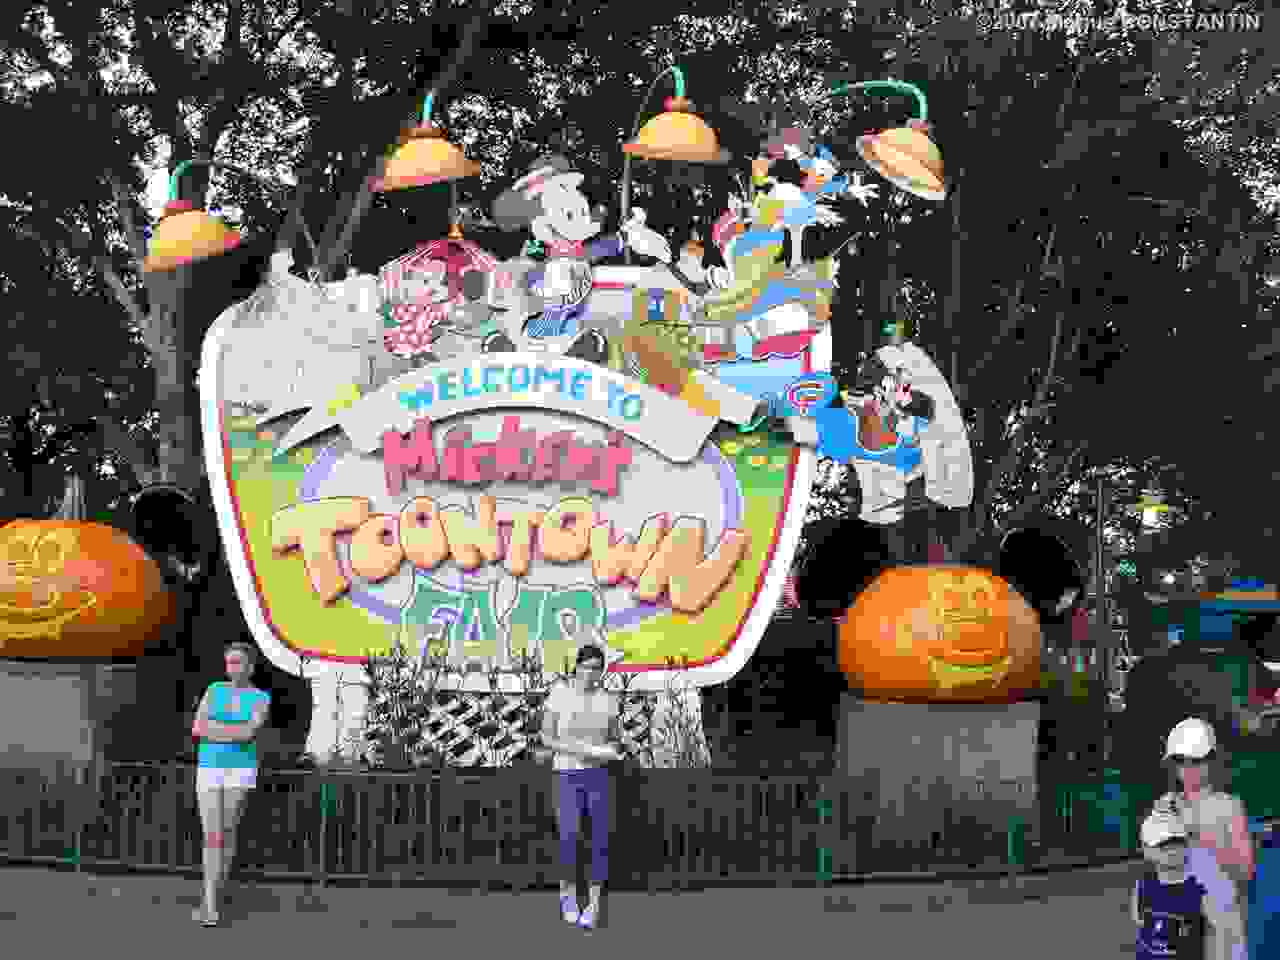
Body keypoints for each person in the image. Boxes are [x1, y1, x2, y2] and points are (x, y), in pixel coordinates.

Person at [537, 618, 623, 931]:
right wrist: (574, 748)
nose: (591, 673)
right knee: (569, 837)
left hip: (598, 776)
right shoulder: (559, 694)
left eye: (597, 669)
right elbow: (546, 737)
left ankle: (594, 904)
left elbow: (615, 740)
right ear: (576, 668)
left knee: (599, 839)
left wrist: (607, 750)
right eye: (586, 667)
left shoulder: (608, 700)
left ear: (602, 672)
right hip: (566, 775)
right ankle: (568, 896)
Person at [1152, 718, 1254, 960]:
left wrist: (1202, 840)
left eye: (1196, 761)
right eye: (1181, 761)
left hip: (1221, 921)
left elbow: (1245, 870)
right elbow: (1156, 864)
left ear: (1212, 762)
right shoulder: (1167, 804)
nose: (1188, 769)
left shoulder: (1230, 806)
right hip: (1178, 919)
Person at [190, 641, 272, 927]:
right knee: (213, 835)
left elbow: (249, 733)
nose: (232, 667)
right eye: (229, 662)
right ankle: (210, 905)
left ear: (251, 666)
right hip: (210, 767)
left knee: (227, 832)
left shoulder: (260, 697)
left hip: (241, 769)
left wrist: (215, 730)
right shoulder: (215, 690)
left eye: (237, 662)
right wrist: (234, 731)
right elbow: (198, 728)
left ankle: (216, 893)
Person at [1133, 809, 1240, 959]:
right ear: (1146, 850)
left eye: (1178, 843)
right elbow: (1141, 930)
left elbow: (1224, 935)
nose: (1172, 850)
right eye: (1163, 845)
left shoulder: (1201, 888)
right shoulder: (1142, 885)